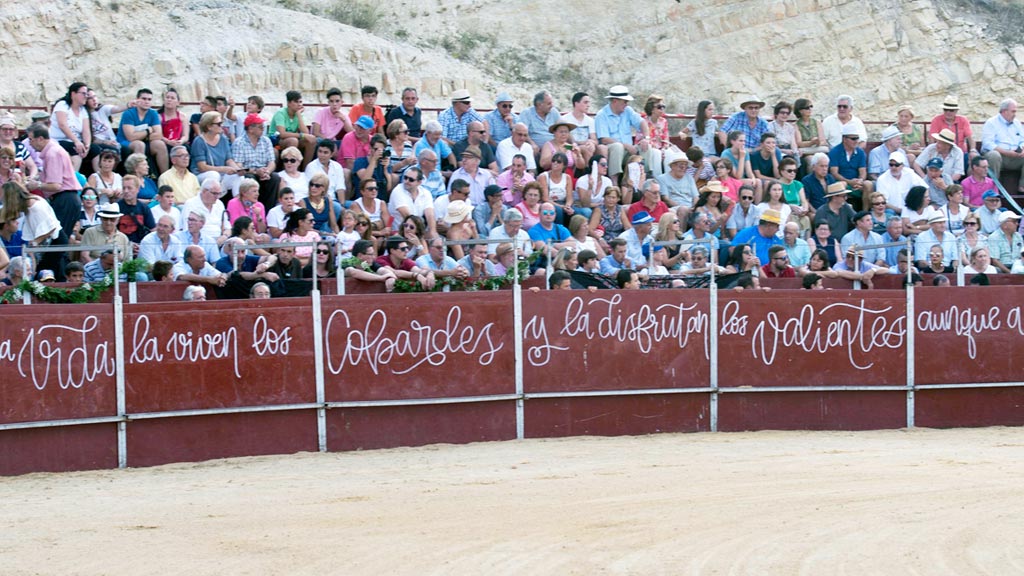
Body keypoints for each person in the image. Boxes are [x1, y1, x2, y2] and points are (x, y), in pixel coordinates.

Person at [23, 122, 82, 238]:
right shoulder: (53, 151)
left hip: (65, 199)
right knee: (59, 239)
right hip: (66, 199)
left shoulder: (52, 153)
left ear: (40, 139)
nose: (29, 143)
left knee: (58, 239)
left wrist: (37, 185)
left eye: (31, 139)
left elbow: (56, 185)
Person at [1, 181, 69, 280]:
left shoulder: (36, 207)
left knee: (47, 275)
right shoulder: (30, 205)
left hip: (55, 242)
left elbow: (51, 227)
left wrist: (35, 242)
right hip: (48, 244)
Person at [594, 85, 643, 179]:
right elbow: (604, 139)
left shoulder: (628, 111)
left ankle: (647, 179)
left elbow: (642, 122)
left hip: (629, 149)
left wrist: (647, 138)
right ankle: (614, 180)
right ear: (615, 101)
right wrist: (626, 145)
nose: (626, 104)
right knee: (617, 146)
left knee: (647, 148)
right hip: (613, 149)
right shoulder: (602, 115)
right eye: (625, 102)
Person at [232, 114, 280, 208]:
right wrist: (256, 171)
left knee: (274, 177)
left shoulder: (266, 141)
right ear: (250, 129)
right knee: (249, 178)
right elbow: (239, 166)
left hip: (263, 170)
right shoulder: (239, 142)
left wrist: (267, 172)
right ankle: (251, 209)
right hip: (249, 171)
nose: (263, 129)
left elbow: (271, 162)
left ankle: (267, 210)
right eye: (260, 127)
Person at [117, 88, 169, 173]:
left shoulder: (153, 113)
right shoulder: (128, 114)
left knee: (160, 144)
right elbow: (130, 137)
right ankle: (140, 177)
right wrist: (148, 131)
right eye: (144, 99)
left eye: (149, 99)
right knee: (139, 145)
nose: (147, 101)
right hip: (125, 142)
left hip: (145, 141)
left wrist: (140, 136)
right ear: (137, 100)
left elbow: (159, 135)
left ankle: (165, 177)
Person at [190, 111, 242, 195]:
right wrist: (224, 169)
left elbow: (229, 160)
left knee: (239, 177)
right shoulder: (199, 141)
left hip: (221, 173)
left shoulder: (223, 139)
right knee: (214, 175)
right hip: (202, 175)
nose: (221, 126)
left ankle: (238, 203)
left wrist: (237, 170)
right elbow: (202, 167)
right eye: (219, 124)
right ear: (209, 126)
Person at [982, 98, 1024, 193]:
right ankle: (993, 187)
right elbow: (987, 143)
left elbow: (1022, 140)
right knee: (994, 155)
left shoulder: (1017, 123)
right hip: (997, 156)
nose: (1015, 114)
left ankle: (1022, 187)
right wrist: (1006, 152)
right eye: (1013, 111)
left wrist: (1022, 148)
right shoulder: (991, 122)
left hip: (1014, 156)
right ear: (1004, 111)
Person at [49, 82, 93, 172]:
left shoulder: (83, 110)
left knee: (96, 150)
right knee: (76, 152)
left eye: (87, 94)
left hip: (75, 142)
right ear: (73, 94)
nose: (86, 96)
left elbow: (86, 130)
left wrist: (87, 146)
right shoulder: (63, 105)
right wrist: (76, 141)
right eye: (83, 94)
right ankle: (72, 180)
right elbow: (62, 125)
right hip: (59, 140)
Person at [828, 124, 872, 209]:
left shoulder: (860, 152)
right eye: (853, 139)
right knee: (842, 185)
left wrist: (860, 180)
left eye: (857, 138)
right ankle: (843, 211)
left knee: (868, 184)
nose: (856, 141)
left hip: (855, 183)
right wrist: (849, 182)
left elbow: (863, 171)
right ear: (844, 139)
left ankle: (865, 212)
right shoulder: (835, 152)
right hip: (842, 181)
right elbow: (834, 173)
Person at [269, 90, 316, 166]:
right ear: (289, 103)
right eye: (296, 102)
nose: (299, 104)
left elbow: (306, 133)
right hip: (276, 140)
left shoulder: (298, 114)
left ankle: (306, 169)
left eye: (300, 102)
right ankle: (290, 168)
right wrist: (301, 135)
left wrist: (299, 115)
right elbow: (282, 134)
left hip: (293, 138)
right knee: (293, 141)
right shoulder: (280, 113)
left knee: (312, 140)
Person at [928, 96, 976, 164]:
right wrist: (934, 152)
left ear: (956, 111)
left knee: (974, 159)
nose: (948, 112)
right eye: (946, 109)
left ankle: (972, 175)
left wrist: (973, 150)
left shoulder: (963, 120)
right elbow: (931, 139)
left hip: (961, 153)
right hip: (942, 153)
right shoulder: (936, 120)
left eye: (951, 110)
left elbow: (970, 138)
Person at [657, 151, 698, 222]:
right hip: (674, 207)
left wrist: (694, 207)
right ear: (672, 166)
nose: (683, 168)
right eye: (681, 166)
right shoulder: (662, 178)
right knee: (683, 210)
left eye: (685, 166)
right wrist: (682, 207)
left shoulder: (689, 177)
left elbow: (696, 197)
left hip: (691, 207)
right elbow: (666, 199)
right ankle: (680, 233)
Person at [353, 135, 394, 202]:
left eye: (382, 150)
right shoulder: (360, 161)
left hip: (381, 201)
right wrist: (374, 160)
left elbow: (388, 188)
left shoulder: (384, 163)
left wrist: (386, 170)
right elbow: (365, 180)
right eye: (376, 149)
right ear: (370, 148)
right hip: (363, 200)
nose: (379, 152)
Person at [560, 91, 598, 163]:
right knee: (584, 149)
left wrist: (591, 142)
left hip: (584, 146)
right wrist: (581, 143)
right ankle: (588, 171)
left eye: (589, 103)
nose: (588, 105)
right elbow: (561, 141)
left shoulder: (590, 121)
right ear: (576, 103)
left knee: (590, 147)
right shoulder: (565, 119)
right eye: (585, 102)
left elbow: (595, 140)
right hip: (568, 146)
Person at [638, 94, 671, 177]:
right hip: (649, 150)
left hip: (661, 149)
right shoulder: (643, 122)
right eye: (659, 107)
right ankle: (657, 180)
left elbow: (666, 139)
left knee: (669, 153)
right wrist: (656, 148)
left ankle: (669, 180)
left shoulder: (663, 121)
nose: (662, 109)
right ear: (652, 109)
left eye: (663, 106)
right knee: (656, 153)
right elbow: (639, 140)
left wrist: (664, 148)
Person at [116, 175, 155, 244]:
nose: (126, 191)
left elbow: (152, 230)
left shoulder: (144, 208)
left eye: (129, 188)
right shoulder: (116, 207)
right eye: (124, 188)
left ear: (138, 189)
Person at [572, 154, 612, 220]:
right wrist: (590, 187)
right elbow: (585, 204)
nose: (606, 167)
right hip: (580, 207)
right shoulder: (582, 180)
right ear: (594, 166)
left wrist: (598, 205)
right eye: (603, 164)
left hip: (598, 208)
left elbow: (609, 202)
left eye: (606, 164)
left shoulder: (608, 181)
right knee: (588, 211)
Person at [537, 152, 573, 221]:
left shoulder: (567, 177)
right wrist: (561, 207)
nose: (555, 163)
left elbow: (570, 198)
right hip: (548, 203)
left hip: (563, 203)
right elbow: (545, 198)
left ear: (564, 166)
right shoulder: (544, 176)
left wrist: (567, 206)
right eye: (553, 160)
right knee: (558, 210)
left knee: (580, 212)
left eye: (559, 162)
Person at [793, 98, 828, 166]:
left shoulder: (816, 122)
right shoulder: (796, 125)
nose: (810, 109)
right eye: (807, 108)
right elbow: (799, 143)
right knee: (811, 160)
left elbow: (823, 140)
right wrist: (811, 142)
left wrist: (817, 142)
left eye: (811, 106)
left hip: (818, 149)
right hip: (806, 152)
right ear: (800, 111)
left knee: (823, 159)